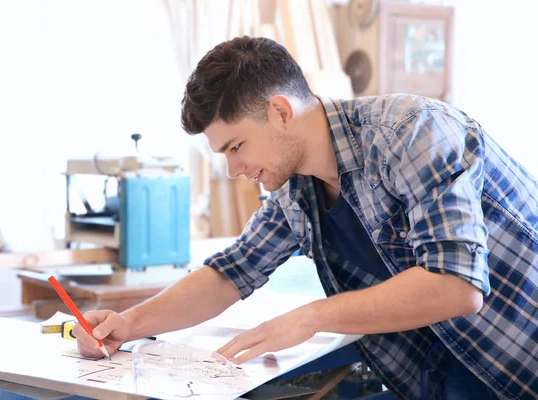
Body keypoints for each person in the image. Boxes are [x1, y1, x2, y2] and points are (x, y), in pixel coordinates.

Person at [73, 36, 538, 400]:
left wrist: (312, 317)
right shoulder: (295, 187)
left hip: (521, 366)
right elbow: (231, 273)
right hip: (445, 379)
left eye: (236, 147)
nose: (233, 170)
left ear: (279, 112)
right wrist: (128, 325)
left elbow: (456, 285)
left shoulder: (412, 133)